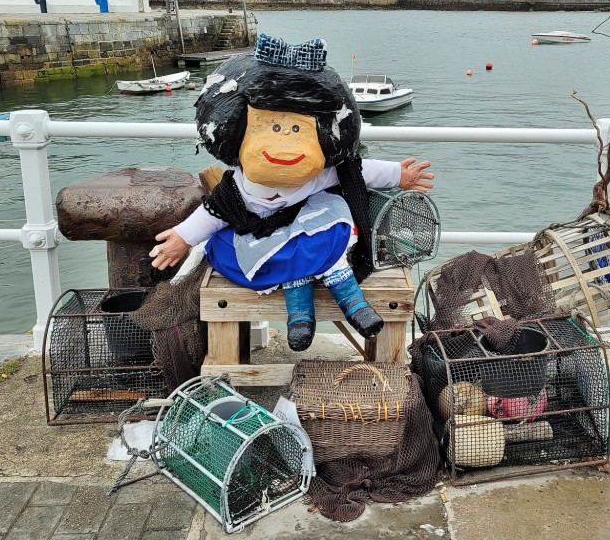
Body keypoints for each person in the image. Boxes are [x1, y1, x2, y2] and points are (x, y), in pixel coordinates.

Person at [150, 34, 433, 352]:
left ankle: (353, 304)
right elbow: (212, 213)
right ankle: (300, 316)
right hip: (259, 235)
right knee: (251, 250)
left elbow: (361, 171)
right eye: (271, 127)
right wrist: (182, 237)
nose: (284, 142)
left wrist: (400, 175)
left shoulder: (322, 173)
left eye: (297, 128)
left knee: (329, 231)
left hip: (306, 228)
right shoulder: (236, 187)